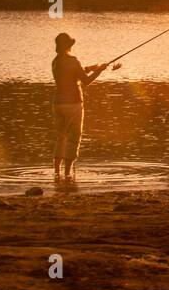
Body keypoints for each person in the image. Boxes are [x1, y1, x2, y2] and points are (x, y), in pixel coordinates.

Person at [50, 32, 119, 180]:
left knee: (60, 137)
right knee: (74, 138)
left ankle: (57, 172)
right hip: (73, 104)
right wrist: (99, 71)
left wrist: (90, 67)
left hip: (57, 104)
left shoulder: (55, 61)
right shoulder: (73, 61)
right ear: (69, 46)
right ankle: (68, 173)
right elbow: (85, 81)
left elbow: (71, 74)